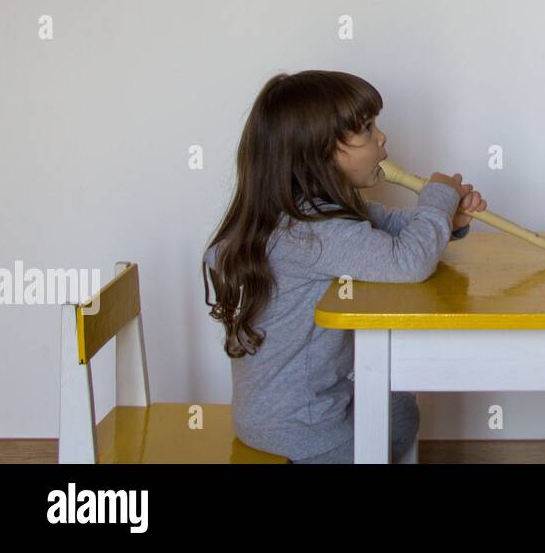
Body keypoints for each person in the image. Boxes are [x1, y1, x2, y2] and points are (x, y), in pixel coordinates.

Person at [202, 70, 486, 463]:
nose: (382, 137)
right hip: (305, 432)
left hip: (280, 415)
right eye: (367, 129)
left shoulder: (305, 214)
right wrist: (436, 200)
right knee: (395, 411)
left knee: (396, 401)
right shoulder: (312, 233)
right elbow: (408, 261)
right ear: (318, 153)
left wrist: (446, 221)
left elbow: (390, 227)